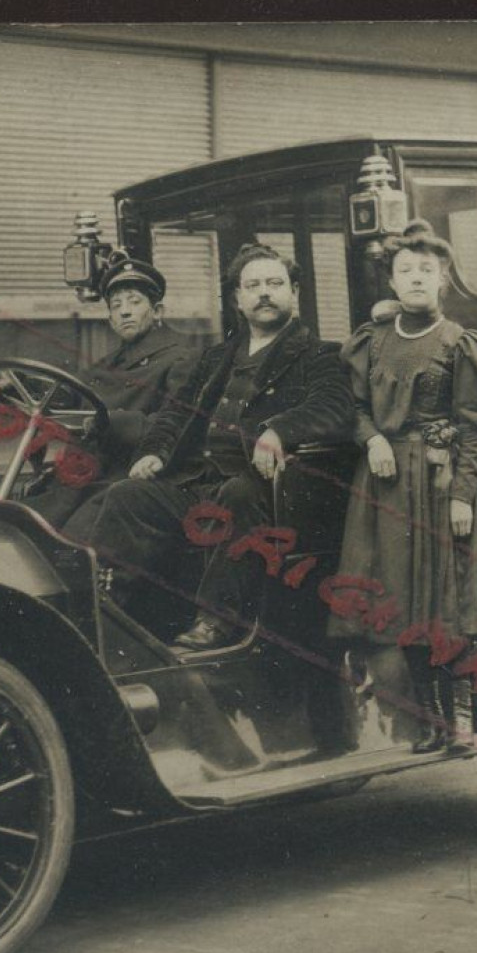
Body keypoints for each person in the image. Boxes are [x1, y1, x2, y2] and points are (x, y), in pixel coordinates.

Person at [84, 242, 354, 650]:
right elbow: (176, 413)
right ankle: (109, 614)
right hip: (200, 481)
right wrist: (154, 451)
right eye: (254, 285)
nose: (264, 292)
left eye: (275, 283)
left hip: (265, 488)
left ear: (293, 294)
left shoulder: (319, 354)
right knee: (129, 496)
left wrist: (281, 429)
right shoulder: (217, 357)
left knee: (238, 492)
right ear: (238, 300)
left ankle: (216, 621)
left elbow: (333, 406)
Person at [328, 220, 477, 753]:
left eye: (427, 270)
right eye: (406, 271)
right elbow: (351, 408)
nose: (417, 278)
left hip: (437, 484)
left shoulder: (458, 343)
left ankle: (461, 720)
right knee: (398, 605)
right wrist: (372, 439)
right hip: (382, 488)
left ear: (443, 280)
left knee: (443, 602)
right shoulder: (371, 342)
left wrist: (463, 494)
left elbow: (475, 425)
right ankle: (426, 722)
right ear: (392, 283)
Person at [23, 254, 196, 536]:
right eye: (116, 306)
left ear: (158, 310)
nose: (124, 311)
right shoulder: (106, 364)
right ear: (110, 319)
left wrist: (112, 422)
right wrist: (18, 387)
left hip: (130, 476)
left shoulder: (181, 357)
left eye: (134, 302)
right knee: (21, 522)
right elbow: (68, 398)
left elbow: (178, 424)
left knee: (68, 540)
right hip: (83, 475)